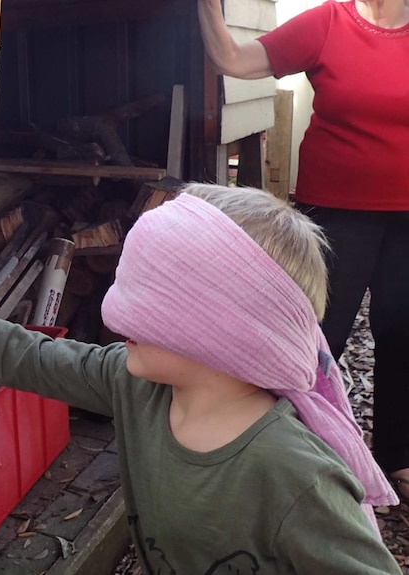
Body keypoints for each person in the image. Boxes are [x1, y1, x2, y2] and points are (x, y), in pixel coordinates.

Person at [0, 184, 400, 573]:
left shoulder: (299, 477)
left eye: (154, 300)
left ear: (229, 331)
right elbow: (19, 353)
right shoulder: (135, 384)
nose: (117, 312)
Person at [198, 0, 409, 502]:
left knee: (404, 332)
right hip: (335, 214)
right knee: (314, 338)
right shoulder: (328, 22)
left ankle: (397, 455)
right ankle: (290, 452)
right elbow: (232, 59)